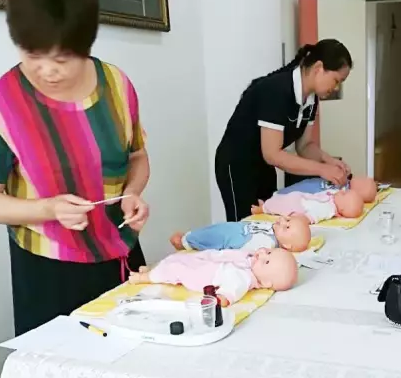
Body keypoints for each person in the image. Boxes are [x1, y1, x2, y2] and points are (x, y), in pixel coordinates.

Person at [0, 0, 150, 378]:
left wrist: (133, 194)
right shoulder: (5, 102)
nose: (46, 69)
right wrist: (44, 209)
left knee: (130, 368)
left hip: (118, 254)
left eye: (61, 57)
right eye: (32, 54)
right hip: (49, 264)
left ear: (85, 46)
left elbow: (137, 158)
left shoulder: (116, 85)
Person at [214, 39, 353, 222]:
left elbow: (305, 146)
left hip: (263, 164)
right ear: (318, 68)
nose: (336, 88)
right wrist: (322, 169)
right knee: (245, 224)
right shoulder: (276, 90)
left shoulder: (311, 100)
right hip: (237, 163)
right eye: (336, 80)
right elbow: (272, 154)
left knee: (269, 218)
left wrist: (330, 162)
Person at [129, 247, 298, 304]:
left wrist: (220, 300)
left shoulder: (243, 278)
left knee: (175, 268)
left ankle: (144, 278)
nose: (262, 254)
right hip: (207, 261)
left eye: (266, 262)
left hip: (202, 275)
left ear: (266, 282)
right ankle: (152, 269)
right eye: (269, 252)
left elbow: (230, 293)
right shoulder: (250, 261)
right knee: (177, 258)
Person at [169, 215, 311, 253]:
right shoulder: (273, 229)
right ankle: (190, 237)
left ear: (286, 245)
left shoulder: (268, 244)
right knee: (213, 229)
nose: (283, 221)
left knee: (211, 237)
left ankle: (185, 242)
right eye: (288, 220)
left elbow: (247, 252)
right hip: (234, 228)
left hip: (230, 239)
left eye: (287, 227)